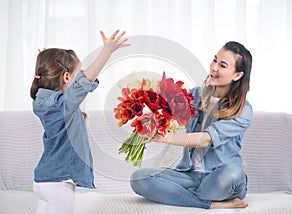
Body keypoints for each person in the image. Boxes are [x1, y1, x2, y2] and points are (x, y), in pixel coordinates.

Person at [130, 41, 253, 209]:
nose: (214, 67)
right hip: (189, 176)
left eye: (222, 65)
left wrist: (166, 138)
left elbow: (206, 139)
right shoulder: (195, 95)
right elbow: (165, 111)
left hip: (222, 177)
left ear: (237, 75)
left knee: (230, 173)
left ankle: (181, 195)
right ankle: (211, 203)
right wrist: (149, 109)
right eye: (215, 60)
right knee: (138, 179)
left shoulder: (243, 110)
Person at [30, 30, 130, 214]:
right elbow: (83, 83)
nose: (81, 76)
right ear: (66, 78)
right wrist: (106, 52)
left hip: (43, 182)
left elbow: (75, 85)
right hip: (59, 184)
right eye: (77, 74)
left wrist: (46, 65)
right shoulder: (62, 105)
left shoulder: (44, 102)